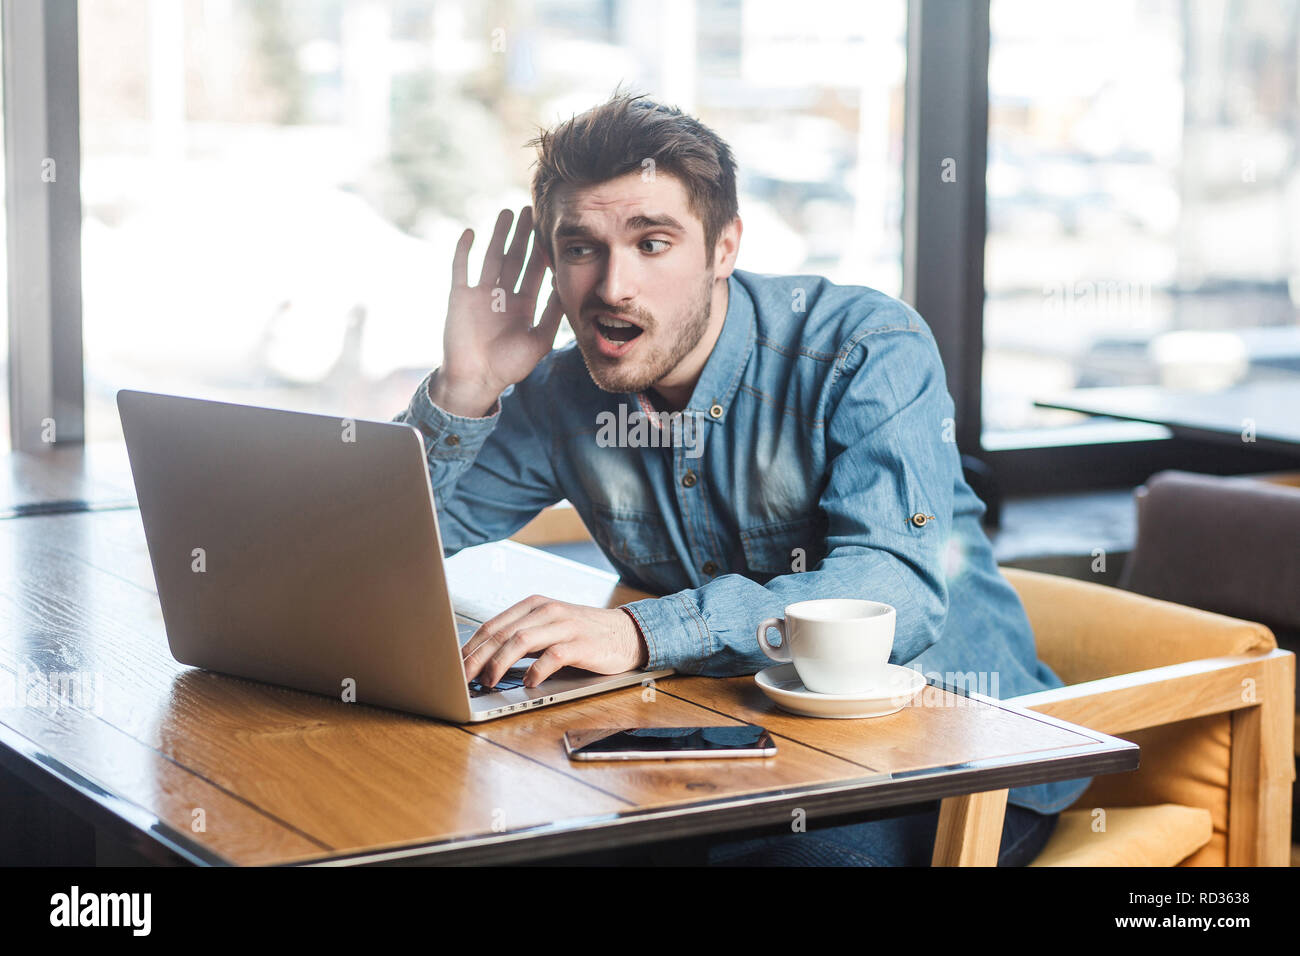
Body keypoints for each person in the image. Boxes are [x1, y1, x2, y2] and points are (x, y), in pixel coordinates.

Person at [392, 90, 1088, 865]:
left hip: (956, 763)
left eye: (652, 243)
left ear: (724, 249)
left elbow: (894, 592)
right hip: (736, 749)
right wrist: (464, 391)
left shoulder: (865, 346)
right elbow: (386, 555)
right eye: (581, 247)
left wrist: (638, 632)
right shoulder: (560, 394)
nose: (613, 286)